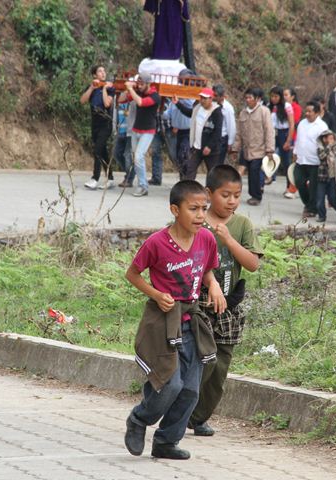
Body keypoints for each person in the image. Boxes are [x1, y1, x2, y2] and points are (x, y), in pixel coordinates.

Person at [124, 180, 225, 461]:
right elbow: (132, 274)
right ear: (174, 209)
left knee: (191, 389)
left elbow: (207, 270)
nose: (201, 215)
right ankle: (139, 419)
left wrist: (213, 285)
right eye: (193, 209)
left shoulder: (206, 238)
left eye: (204, 208)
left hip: (192, 320)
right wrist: (156, 294)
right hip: (163, 320)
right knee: (170, 384)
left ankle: (166, 442)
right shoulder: (156, 243)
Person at [188, 165, 263, 436]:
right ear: (209, 194)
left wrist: (229, 240)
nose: (231, 201)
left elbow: (252, 264)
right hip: (198, 303)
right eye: (225, 195)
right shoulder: (196, 221)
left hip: (228, 305)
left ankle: (198, 417)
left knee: (220, 367)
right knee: (200, 360)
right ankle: (182, 409)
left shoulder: (242, 225)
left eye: (237, 195)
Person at [230, 87, 275, 206]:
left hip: (259, 149)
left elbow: (269, 130)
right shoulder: (243, 113)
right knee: (248, 172)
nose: (248, 100)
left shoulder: (264, 111)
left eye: (250, 97)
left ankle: (256, 196)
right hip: (246, 149)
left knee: (254, 173)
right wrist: (235, 148)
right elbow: (239, 132)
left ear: (257, 99)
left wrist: (269, 149)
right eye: (246, 97)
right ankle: (252, 193)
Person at [119, 73, 161, 197]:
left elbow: (141, 102)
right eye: (138, 83)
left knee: (138, 157)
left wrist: (131, 89)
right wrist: (126, 88)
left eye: (142, 83)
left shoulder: (155, 96)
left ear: (148, 84)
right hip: (136, 130)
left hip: (148, 131)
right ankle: (141, 184)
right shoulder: (138, 91)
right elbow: (121, 100)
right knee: (135, 159)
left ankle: (143, 186)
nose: (139, 85)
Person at [80, 65, 115, 190]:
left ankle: (95, 178)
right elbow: (82, 101)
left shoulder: (110, 88)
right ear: (94, 75)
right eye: (100, 71)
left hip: (106, 124)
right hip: (95, 125)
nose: (103, 73)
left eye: (104, 70)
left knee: (97, 150)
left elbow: (107, 103)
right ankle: (110, 178)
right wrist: (91, 87)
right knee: (103, 152)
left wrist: (104, 89)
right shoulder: (92, 88)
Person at [293, 102, 328, 217]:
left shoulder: (322, 126)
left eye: (310, 112)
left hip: (315, 162)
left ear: (317, 113)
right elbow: (298, 140)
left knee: (313, 187)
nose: (307, 114)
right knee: (299, 181)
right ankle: (308, 203)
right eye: (306, 111)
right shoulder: (302, 123)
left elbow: (325, 144)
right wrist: (295, 152)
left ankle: (312, 208)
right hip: (301, 159)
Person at [182, 88, 223, 180]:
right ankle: (188, 191)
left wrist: (209, 146)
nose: (202, 100)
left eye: (205, 98)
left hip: (211, 149)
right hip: (197, 147)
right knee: (190, 169)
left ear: (211, 99)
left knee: (212, 173)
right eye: (201, 98)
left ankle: (211, 192)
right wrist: (177, 104)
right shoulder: (197, 108)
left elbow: (217, 131)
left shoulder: (216, 112)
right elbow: (189, 113)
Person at [316, 130, 336, 223]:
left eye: (332, 138)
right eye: (329, 138)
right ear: (324, 139)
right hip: (322, 177)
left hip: (333, 177)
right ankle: (322, 216)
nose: (331, 140)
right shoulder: (320, 148)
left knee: (332, 198)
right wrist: (328, 147)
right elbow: (322, 157)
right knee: (320, 199)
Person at [268, 86, 295, 189]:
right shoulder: (270, 106)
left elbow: (292, 124)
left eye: (276, 96)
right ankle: (268, 177)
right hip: (273, 133)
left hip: (284, 133)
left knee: (286, 161)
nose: (273, 98)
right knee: (269, 156)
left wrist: (288, 140)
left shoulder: (287, 106)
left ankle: (290, 186)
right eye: (272, 96)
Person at [213, 85, 236, 167]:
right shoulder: (212, 105)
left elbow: (231, 126)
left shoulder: (228, 108)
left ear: (222, 97)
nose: (214, 98)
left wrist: (230, 143)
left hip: (222, 139)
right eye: (213, 95)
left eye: (216, 96)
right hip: (213, 138)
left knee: (218, 163)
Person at [113, 103, 135, 187]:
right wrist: (114, 129)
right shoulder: (117, 97)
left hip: (131, 132)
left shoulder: (133, 97)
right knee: (116, 153)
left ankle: (129, 179)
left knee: (127, 155)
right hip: (120, 131)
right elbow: (115, 114)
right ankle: (131, 171)